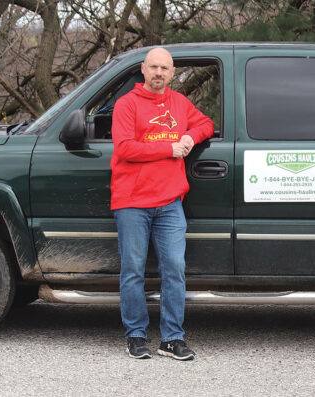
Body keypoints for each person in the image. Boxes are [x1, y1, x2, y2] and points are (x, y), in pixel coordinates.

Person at [110, 47, 214, 361]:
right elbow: (126, 148)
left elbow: (206, 123)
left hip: (170, 203)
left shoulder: (179, 103)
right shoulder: (126, 104)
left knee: (175, 270)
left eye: (165, 68)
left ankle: (171, 339)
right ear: (142, 70)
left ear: (172, 73)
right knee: (132, 271)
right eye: (153, 67)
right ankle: (136, 336)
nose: (159, 73)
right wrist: (170, 148)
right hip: (132, 201)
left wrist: (190, 138)